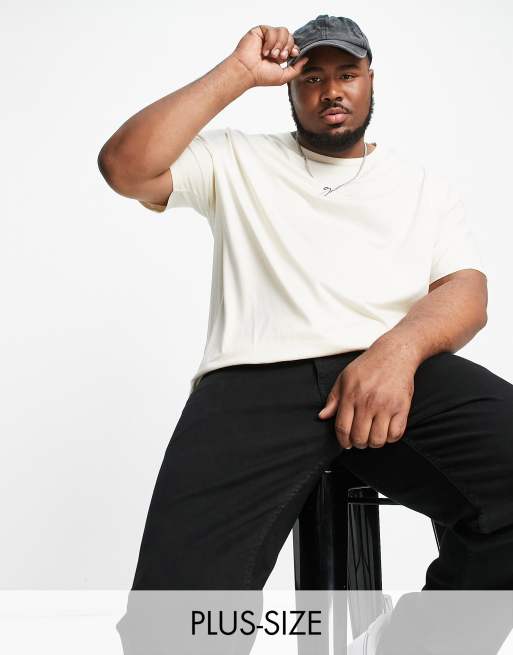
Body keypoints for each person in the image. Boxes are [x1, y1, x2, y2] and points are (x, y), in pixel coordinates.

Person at [99, 14, 513, 655]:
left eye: (347, 74)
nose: (331, 91)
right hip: (253, 383)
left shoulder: (422, 186)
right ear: (290, 88)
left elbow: (466, 291)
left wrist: (398, 351)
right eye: (311, 78)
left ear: (371, 80)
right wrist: (238, 73)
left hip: (388, 373)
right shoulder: (236, 157)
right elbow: (125, 167)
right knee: (171, 628)